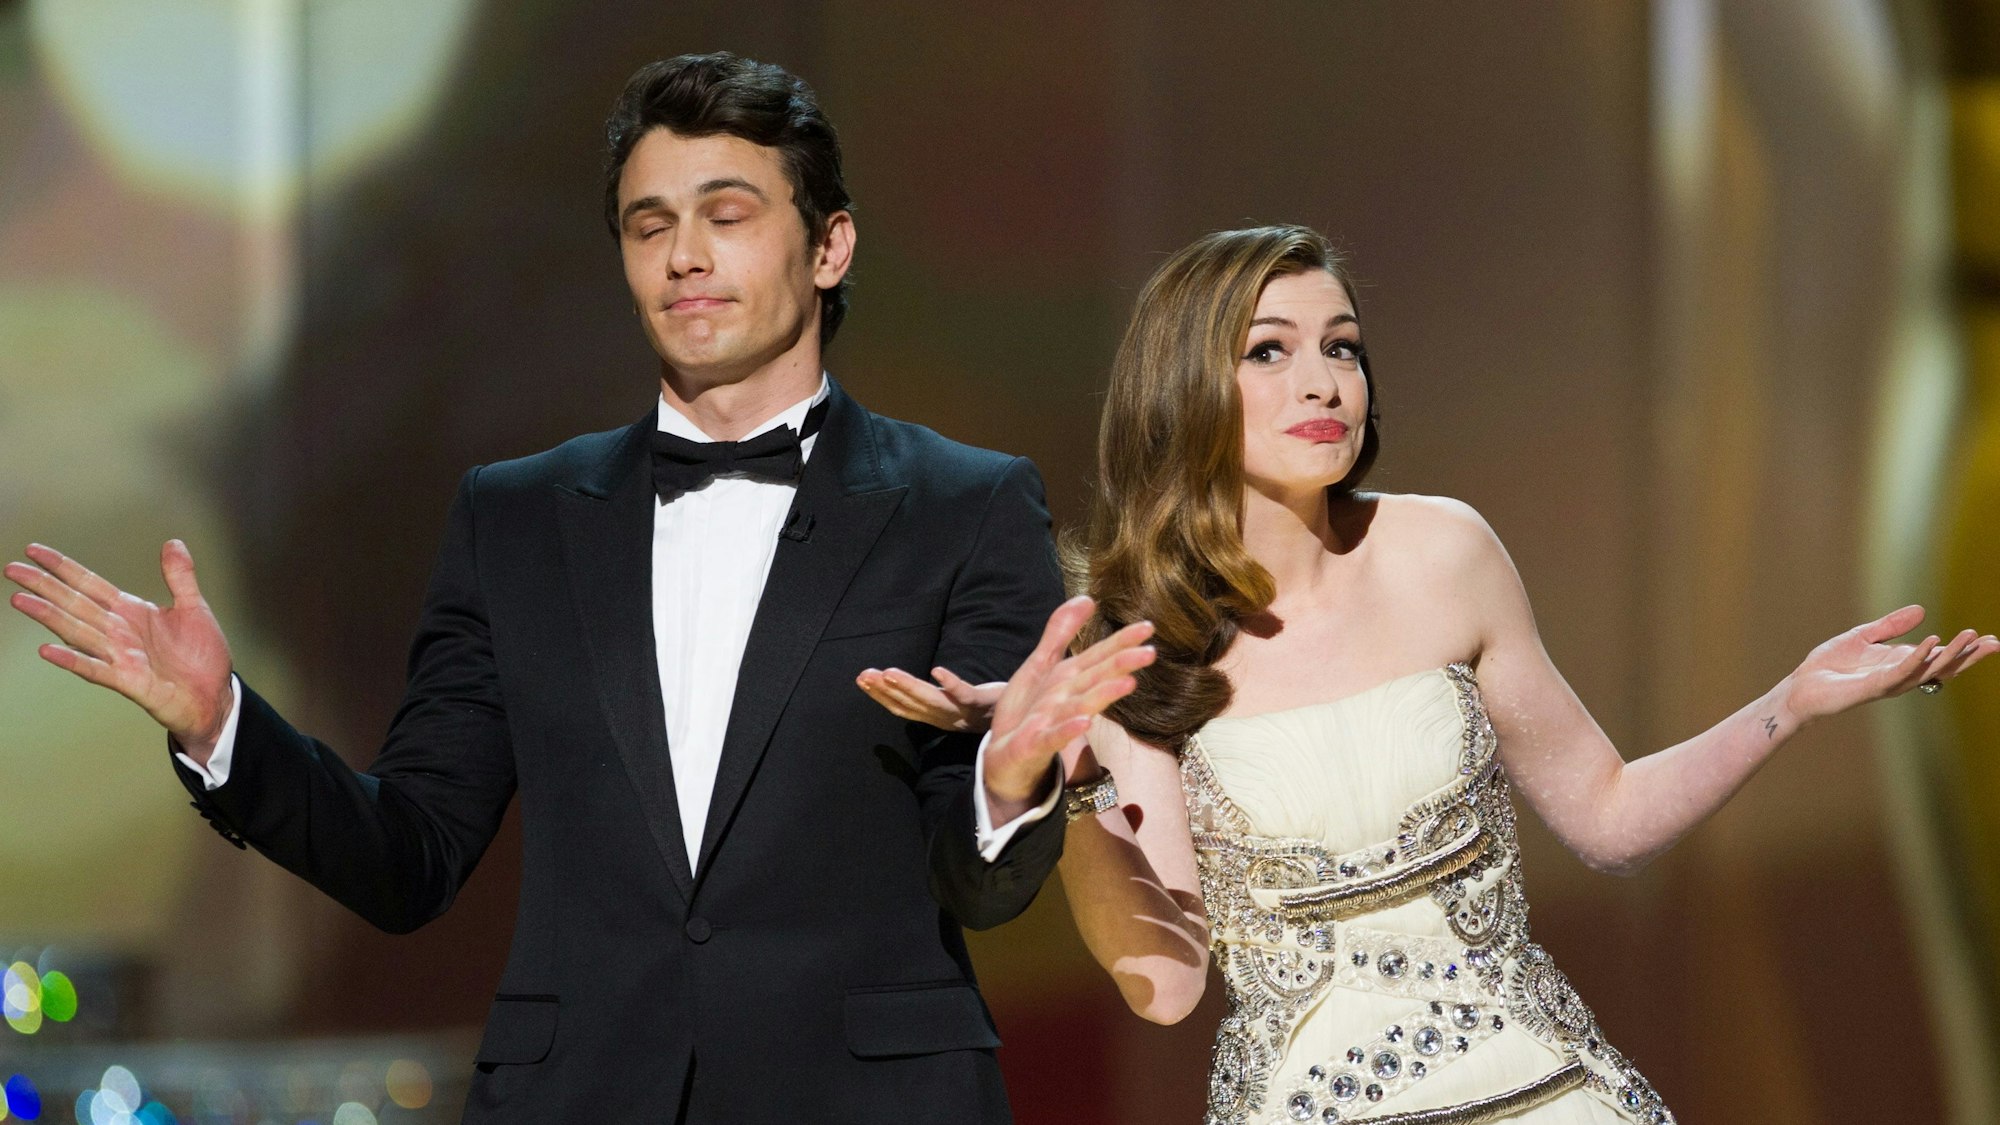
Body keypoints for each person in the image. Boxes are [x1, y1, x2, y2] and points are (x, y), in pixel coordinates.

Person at [5, 53, 1155, 1123]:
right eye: (648, 224)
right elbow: (409, 856)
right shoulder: (514, 517)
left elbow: (980, 885)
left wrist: (1006, 786)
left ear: (830, 247)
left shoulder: (963, 503)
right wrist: (223, 727)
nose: (683, 256)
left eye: (727, 214)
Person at [859, 224, 2000, 1124]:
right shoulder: (1134, 638)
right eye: (1270, 350)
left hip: (1539, 1089)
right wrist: (1068, 775)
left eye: (1340, 347)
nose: (1323, 383)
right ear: (1183, 389)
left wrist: (1788, 704)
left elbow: (1604, 817)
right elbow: (1164, 988)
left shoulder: (1445, 548)